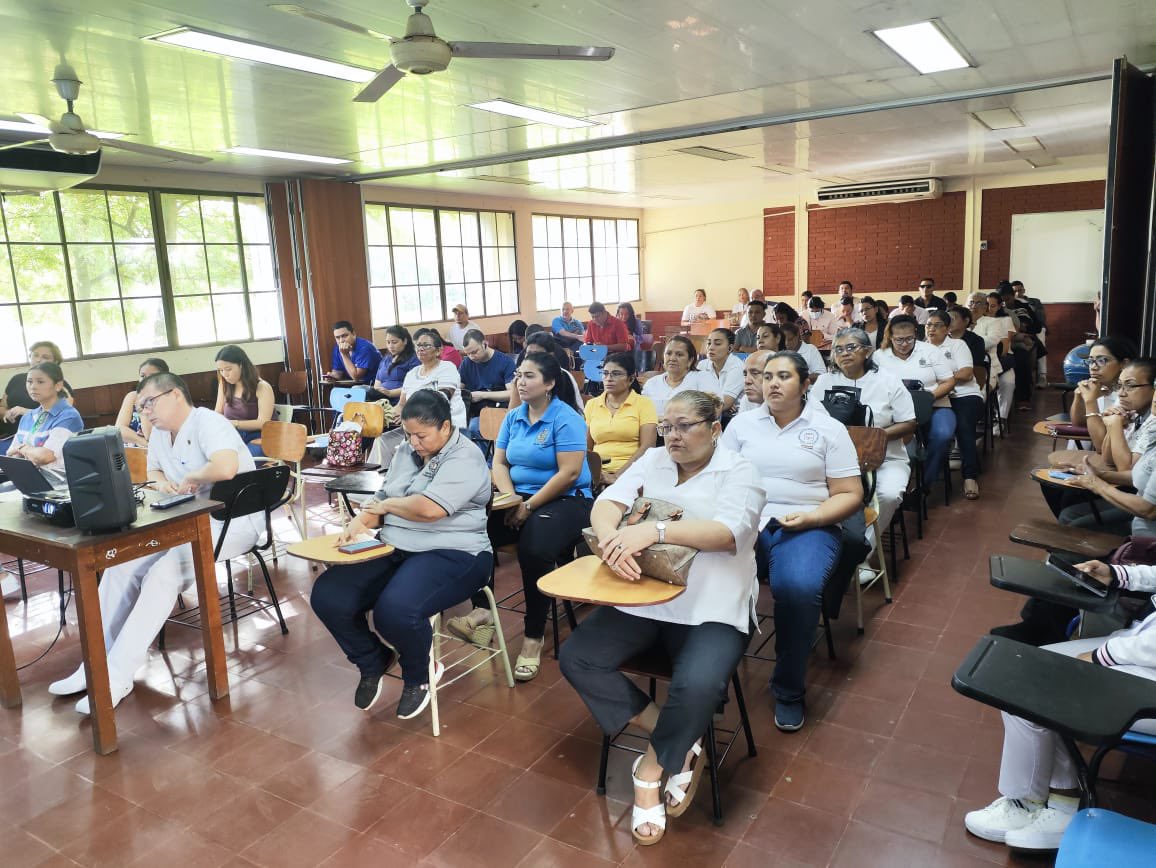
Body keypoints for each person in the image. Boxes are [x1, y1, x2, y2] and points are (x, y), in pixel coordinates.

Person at [560, 390, 765, 845]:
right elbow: (607, 502)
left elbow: (727, 533)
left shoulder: (739, 471)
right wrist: (613, 537)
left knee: (697, 683)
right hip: (648, 596)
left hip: (713, 604)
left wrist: (651, 530)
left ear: (714, 429)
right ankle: (678, 735)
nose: (672, 435)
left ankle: (651, 767)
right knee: (578, 657)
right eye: (667, 426)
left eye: (685, 425)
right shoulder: (652, 460)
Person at [47, 372, 262, 714]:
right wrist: (162, 484)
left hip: (230, 523)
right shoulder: (161, 434)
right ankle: (93, 666)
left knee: (165, 574)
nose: (145, 412)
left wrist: (192, 477)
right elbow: (154, 472)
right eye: (142, 406)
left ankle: (118, 675)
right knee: (121, 566)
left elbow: (227, 466)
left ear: (175, 394)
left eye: (150, 402)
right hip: (183, 522)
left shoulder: (209, 422)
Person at [310, 390, 493, 719]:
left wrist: (386, 507)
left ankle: (418, 676)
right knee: (329, 594)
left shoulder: (465, 456)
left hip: (455, 552)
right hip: (396, 545)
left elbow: (429, 509)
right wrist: (357, 524)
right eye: (409, 434)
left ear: (446, 428)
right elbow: (382, 496)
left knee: (395, 610)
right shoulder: (406, 450)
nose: (414, 442)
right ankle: (372, 660)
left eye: (421, 435)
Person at [964, 556, 1156, 852]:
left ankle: (1043, 806)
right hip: (1139, 650)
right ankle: (1045, 798)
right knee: (1025, 672)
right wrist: (1117, 573)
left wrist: (1102, 656)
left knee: (1034, 688)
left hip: (1147, 674)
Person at [721, 352, 862, 731]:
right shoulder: (742, 425)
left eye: (784, 376)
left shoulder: (828, 428)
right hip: (749, 520)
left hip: (808, 523)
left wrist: (813, 517)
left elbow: (850, 493)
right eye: (767, 376)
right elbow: (722, 479)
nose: (773, 384)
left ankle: (788, 689)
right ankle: (711, 678)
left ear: (806, 384)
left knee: (798, 588)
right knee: (710, 573)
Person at [447, 352, 592, 682]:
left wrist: (528, 507)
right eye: (518, 375)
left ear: (550, 383)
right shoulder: (514, 417)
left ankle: (532, 636)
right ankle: (482, 611)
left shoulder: (565, 417)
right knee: (472, 528)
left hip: (569, 500)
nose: (520, 382)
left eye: (529, 376)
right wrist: (512, 499)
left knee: (534, 546)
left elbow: (569, 474)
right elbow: (499, 463)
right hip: (520, 496)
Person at [813, 328, 915, 545]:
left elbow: (909, 423)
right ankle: (831, 547)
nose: (844, 353)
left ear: (867, 352)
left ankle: (861, 554)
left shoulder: (887, 381)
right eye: (838, 349)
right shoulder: (824, 382)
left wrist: (871, 437)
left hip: (886, 459)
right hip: (833, 462)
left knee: (888, 494)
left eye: (851, 347)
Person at [875, 315, 956, 491]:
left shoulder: (930, 351)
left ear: (916, 335)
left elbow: (949, 381)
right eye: (899, 340)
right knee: (903, 446)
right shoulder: (879, 356)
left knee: (942, 434)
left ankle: (925, 484)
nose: (905, 344)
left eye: (909, 338)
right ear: (890, 337)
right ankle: (898, 485)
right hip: (896, 413)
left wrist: (927, 398)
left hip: (935, 404)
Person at [926, 310, 984, 500]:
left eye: (936, 325)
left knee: (963, 425)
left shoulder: (958, 345)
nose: (931, 329)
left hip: (964, 395)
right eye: (928, 325)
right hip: (936, 397)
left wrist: (943, 381)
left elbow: (967, 373)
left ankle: (969, 476)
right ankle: (928, 472)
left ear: (947, 328)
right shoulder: (921, 349)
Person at [584, 352, 657, 485]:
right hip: (597, 473)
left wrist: (617, 476)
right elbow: (586, 448)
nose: (609, 378)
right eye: (605, 373)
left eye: (616, 374)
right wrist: (595, 473)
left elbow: (648, 447)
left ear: (631, 378)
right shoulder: (592, 404)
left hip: (633, 472)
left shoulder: (644, 404)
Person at [1, 341, 75, 449]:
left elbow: (62, 415)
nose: (38, 359)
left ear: (55, 362)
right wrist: (7, 412)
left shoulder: (60, 385)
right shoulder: (16, 380)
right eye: (35, 355)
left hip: (46, 442)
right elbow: (2, 406)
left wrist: (25, 412)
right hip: (12, 439)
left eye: (45, 357)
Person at [1069, 336, 1136, 448]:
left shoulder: (1128, 394)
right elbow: (1079, 424)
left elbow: (1100, 446)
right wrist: (1079, 397)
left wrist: (1090, 401)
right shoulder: (1098, 388)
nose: (1093, 367)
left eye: (1102, 361)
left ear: (1124, 364)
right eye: (1091, 361)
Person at [213, 345, 274, 457]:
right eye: (221, 370)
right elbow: (218, 412)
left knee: (241, 461)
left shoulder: (262, 387)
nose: (225, 374)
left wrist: (235, 424)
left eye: (228, 369)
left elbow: (263, 423)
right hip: (234, 436)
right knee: (215, 459)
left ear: (241, 365)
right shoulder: (224, 385)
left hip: (261, 437)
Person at [398, 330, 467, 429]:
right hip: (416, 428)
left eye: (426, 346)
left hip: (446, 427)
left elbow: (442, 397)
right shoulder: (411, 374)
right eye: (418, 345)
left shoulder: (447, 367)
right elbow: (401, 404)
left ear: (438, 351)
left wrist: (413, 415)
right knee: (382, 439)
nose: (421, 349)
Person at [459, 329, 515, 449]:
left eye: (474, 352)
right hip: (475, 411)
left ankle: (490, 464)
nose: (472, 357)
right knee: (458, 428)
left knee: (475, 426)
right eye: (467, 354)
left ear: (485, 344)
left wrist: (483, 395)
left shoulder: (505, 362)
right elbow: (458, 388)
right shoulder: (466, 363)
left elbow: (513, 394)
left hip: (499, 409)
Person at [968, 291, 1017, 426]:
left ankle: (997, 420)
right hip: (963, 368)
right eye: (971, 302)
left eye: (978, 303)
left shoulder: (993, 322)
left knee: (977, 395)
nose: (973, 306)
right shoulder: (961, 323)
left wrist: (965, 343)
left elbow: (991, 341)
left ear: (985, 307)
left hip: (987, 367)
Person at [642, 335, 720, 416]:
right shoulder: (651, 383)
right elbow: (642, 414)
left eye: (679, 355)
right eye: (668, 353)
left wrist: (670, 422)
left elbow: (715, 410)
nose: (672, 358)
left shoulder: (704, 378)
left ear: (690, 360)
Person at [114, 358, 169, 448]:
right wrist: (142, 442)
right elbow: (119, 429)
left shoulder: (168, 399)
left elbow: (149, 435)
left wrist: (143, 406)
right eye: (142, 376)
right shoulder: (132, 396)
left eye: (152, 376)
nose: (146, 380)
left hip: (159, 453)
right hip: (132, 452)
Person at [697, 328, 744, 415]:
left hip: (733, 417)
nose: (711, 347)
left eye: (717, 343)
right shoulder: (702, 365)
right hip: (711, 414)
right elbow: (694, 395)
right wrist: (721, 403)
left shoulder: (737, 367)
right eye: (709, 343)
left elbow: (724, 403)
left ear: (730, 348)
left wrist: (724, 403)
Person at [372, 325, 420, 404]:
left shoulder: (413, 359)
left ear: (405, 341)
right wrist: (379, 392)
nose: (390, 346)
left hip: (400, 400)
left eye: (394, 342)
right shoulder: (386, 359)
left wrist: (391, 393)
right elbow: (377, 383)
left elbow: (414, 385)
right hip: (381, 399)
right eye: (388, 342)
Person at [327, 321, 381, 385]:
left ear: (353, 334)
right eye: (337, 337)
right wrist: (332, 376)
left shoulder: (365, 348)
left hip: (374, 386)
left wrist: (344, 354)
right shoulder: (337, 348)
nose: (341, 340)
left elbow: (356, 377)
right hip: (354, 386)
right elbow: (338, 372)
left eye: (344, 336)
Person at [617, 302, 646, 373]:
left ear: (630, 313)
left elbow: (641, 338)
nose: (623, 316)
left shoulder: (636, 321)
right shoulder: (616, 322)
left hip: (634, 348)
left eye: (626, 314)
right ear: (618, 314)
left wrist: (633, 337)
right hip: (620, 348)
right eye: (621, 314)